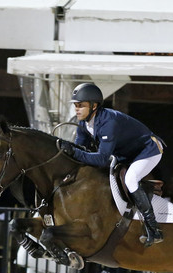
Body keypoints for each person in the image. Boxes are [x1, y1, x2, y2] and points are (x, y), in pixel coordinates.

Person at [57, 83, 166, 247]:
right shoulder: (83, 123)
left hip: (148, 150)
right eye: (76, 105)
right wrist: (69, 150)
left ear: (94, 106)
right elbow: (81, 150)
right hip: (126, 154)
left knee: (130, 179)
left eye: (81, 106)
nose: (77, 109)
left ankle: (153, 229)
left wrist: (74, 152)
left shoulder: (109, 122)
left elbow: (100, 158)